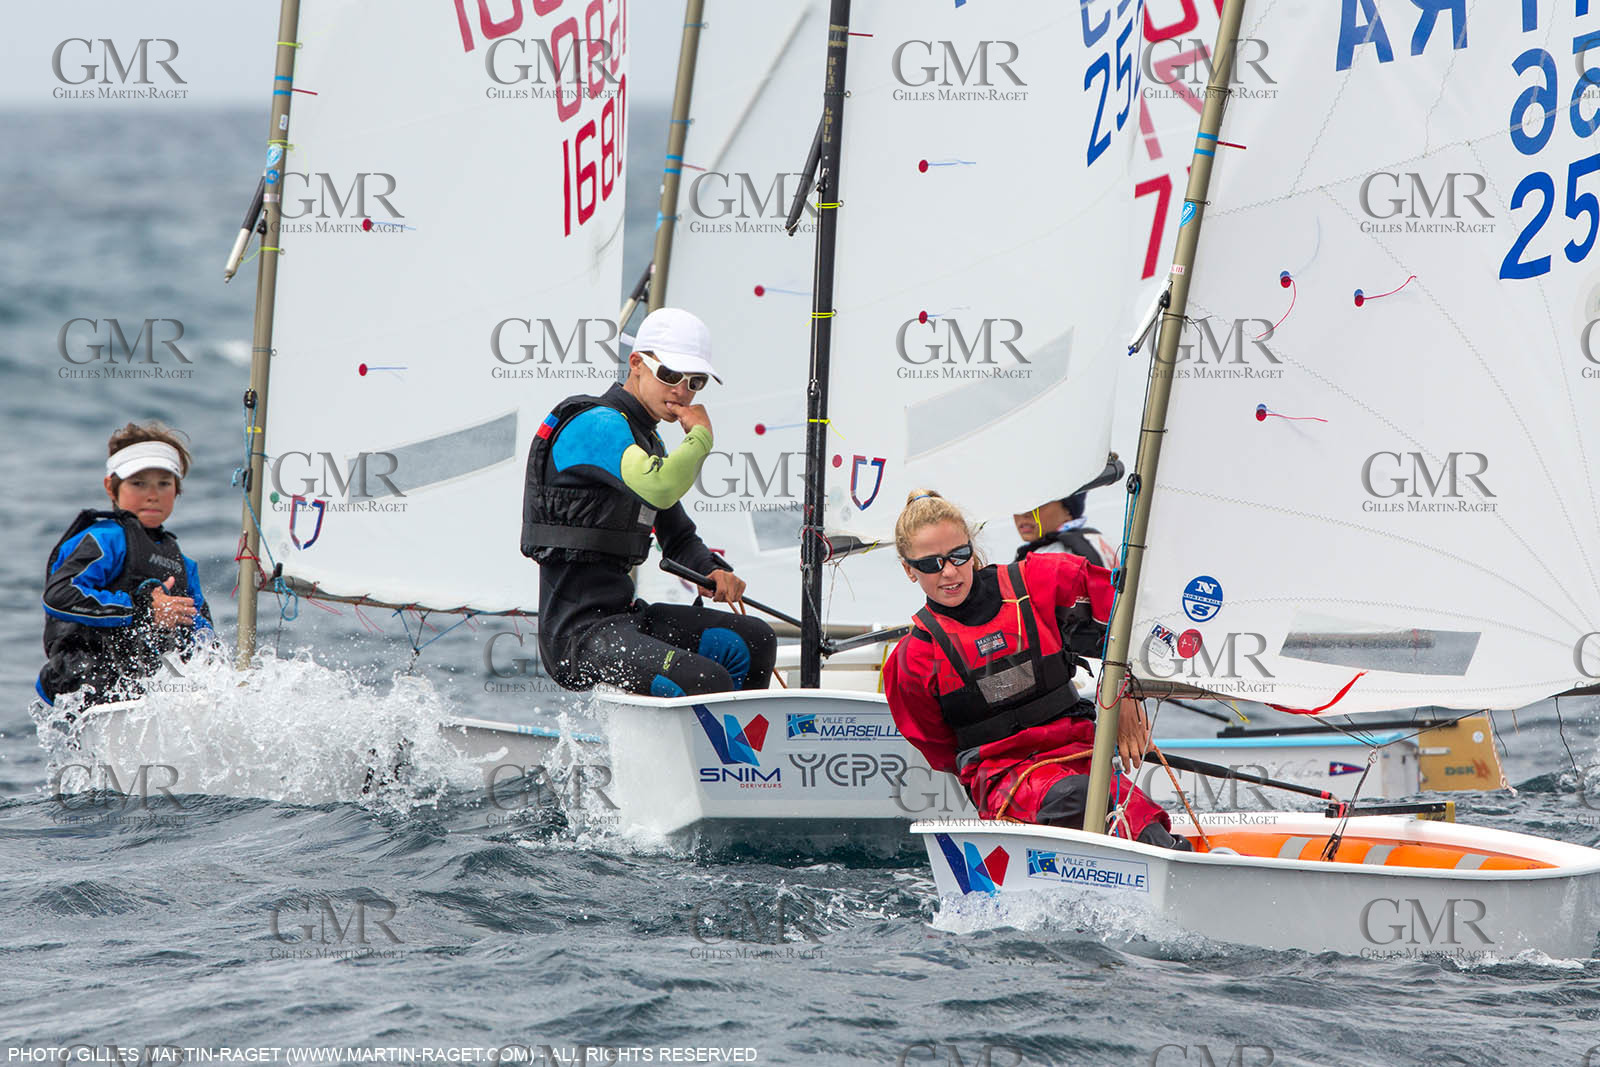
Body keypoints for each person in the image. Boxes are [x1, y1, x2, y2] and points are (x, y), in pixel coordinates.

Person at [883, 490, 1187, 848]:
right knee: (1076, 797)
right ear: (908, 570)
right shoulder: (912, 660)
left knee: (1149, 827)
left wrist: (1125, 686)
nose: (949, 572)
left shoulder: (1037, 582)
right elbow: (939, 749)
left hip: (1082, 756)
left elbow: (1128, 606)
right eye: (931, 564)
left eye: (959, 556)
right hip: (1007, 780)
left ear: (972, 549)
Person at [521, 307, 776, 697]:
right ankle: (721, 756)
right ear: (636, 364)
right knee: (706, 679)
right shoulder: (597, 425)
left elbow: (678, 538)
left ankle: (747, 752)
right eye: (670, 375)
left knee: (755, 641)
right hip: (577, 637)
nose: (682, 391)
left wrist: (711, 570)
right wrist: (701, 437)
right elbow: (660, 487)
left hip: (625, 618)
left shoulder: (646, 442)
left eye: (696, 381)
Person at [37, 422, 215, 709]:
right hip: (83, 682)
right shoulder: (105, 540)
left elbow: (202, 633)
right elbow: (58, 595)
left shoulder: (183, 563)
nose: (152, 494)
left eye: (164, 483)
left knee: (193, 681)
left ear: (177, 490)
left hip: (143, 689)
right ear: (111, 487)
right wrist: (145, 609)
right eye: (138, 483)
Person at [1012, 491, 1119, 569]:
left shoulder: (1052, 556)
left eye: (1038, 505)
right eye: (1018, 505)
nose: (1024, 513)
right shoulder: (1098, 541)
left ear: (1067, 511)